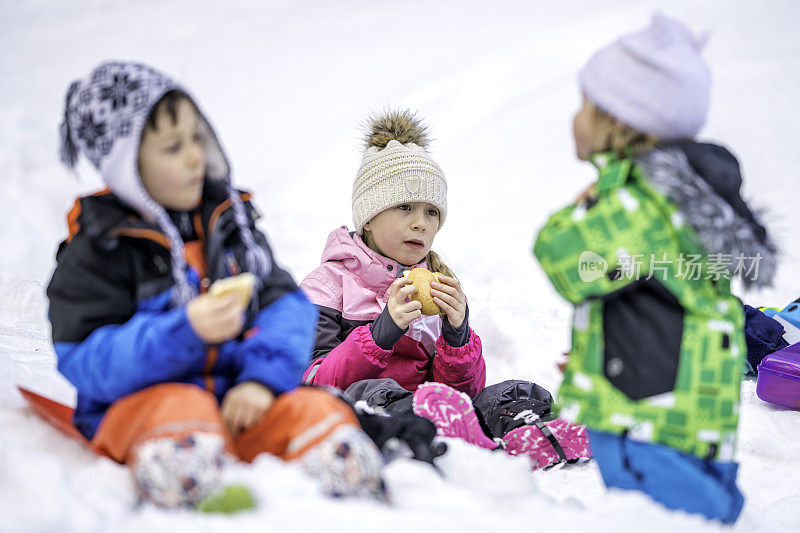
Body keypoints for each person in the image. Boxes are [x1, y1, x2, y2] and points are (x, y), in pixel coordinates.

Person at [48, 61, 384, 509]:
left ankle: (337, 482)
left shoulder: (230, 224)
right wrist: (184, 332)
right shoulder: (99, 248)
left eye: (196, 138)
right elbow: (87, 359)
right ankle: (201, 491)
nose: (194, 157)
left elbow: (285, 304)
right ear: (124, 166)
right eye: (172, 147)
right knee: (179, 411)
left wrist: (261, 381)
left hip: (236, 400)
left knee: (317, 408)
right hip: (144, 409)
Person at [533, 15, 777, 524]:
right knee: (700, 509)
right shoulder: (675, 201)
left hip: (646, 412)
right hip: (686, 406)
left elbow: (562, 259)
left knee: (661, 517)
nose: (574, 119)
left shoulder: (637, 207)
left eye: (585, 106)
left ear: (619, 123)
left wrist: (586, 210)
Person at [300, 109, 590, 470]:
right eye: (405, 207)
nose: (421, 223)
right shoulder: (327, 286)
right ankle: (443, 439)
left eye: (432, 212)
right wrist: (380, 335)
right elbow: (314, 382)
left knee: (510, 392)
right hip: (369, 416)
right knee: (374, 392)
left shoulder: (436, 281)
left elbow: (462, 392)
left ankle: (534, 431)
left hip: (443, 411)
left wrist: (457, 335)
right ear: (369, 217)